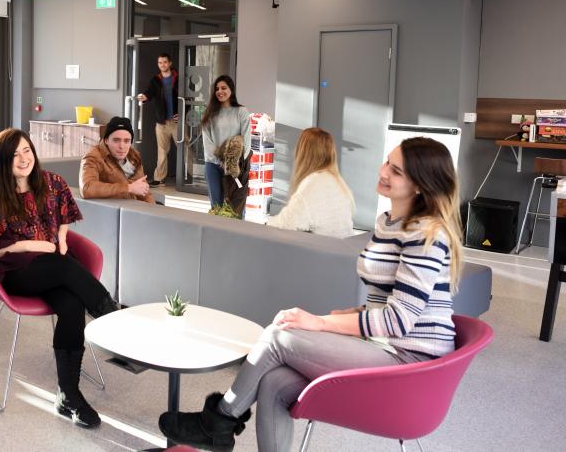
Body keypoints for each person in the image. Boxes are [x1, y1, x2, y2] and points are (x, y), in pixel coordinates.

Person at [158, 137, 464, 452]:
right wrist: (346, 315)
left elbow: (399, 320)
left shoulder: (425, 233)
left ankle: (218, 421)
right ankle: (218, 427)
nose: (383, 171)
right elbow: (387, 302)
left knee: (279, 335)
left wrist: (319, 323)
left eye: (396, 171)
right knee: (274, 382)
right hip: (385, 347)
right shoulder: (389, 223)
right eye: (387, 161)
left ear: (419, 186)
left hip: (410, 366)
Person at [0, 128, 119, 428]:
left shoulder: (51, 183)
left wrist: (62, 239)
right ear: (2, 161)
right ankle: (112, 320)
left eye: (27, 150)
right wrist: (28, 245)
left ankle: (68, 395)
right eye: (14, 155)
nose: (23, 158)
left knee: (71, 305)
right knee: (64, 269)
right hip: (17, 273)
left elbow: (64, 215)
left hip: (53, 265)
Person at [267, 127, 355, 238]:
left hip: (323, 251)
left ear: (303, 152)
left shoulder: (313, 183)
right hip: (341, 249)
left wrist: (265, 224)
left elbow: (286, 223)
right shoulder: (336, 182)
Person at [201, 75, 250, 210]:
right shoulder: (209, 113)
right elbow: (207, 141)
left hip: (235, 167)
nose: (220, 91)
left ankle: (236, 231)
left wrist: (235, 164)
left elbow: (246, 140)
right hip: (213, 165)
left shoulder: (241, 112)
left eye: (224, 88)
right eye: (217, 88)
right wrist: (220, 161)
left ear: (231, 90)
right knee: (216, 205)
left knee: (236, 207)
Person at [80, 116, 155, 203]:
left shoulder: (134, 156)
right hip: (114, 211)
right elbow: (87, 188)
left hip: (135, 208)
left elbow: (144, 192)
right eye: (116, 140)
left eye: (126, 141)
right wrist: (129, 188)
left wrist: (153, 211)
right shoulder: (93, 157)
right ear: (106, 140)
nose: (122, 146)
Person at [136, 53, 179, 186]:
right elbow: (149, 92)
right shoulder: (156, 80)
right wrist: (144, 97)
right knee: (162, 151)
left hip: (177, 122)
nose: (162, 65)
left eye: (165, 62)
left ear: (170, 63)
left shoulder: (178, 78)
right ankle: (159, 178)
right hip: (161, 122)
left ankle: (196, 177)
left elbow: (188, 98)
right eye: (160, 63)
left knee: (185, 149)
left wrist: (183, 113)